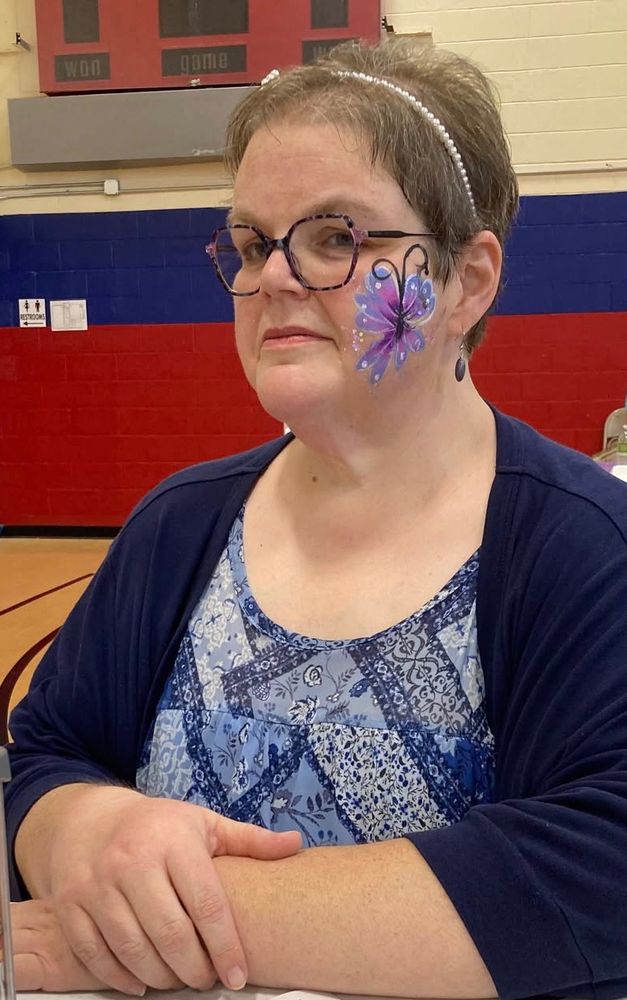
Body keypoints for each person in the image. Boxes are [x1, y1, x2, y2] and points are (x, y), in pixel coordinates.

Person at [6, 36, 627, 1000]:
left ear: (467, 280)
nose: (276, 279)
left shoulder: (585, 549)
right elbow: (49, 753)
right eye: (254, 243)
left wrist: (126, 925)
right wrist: (82, 830)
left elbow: (591, 877)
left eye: (337, 237)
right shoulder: (177, 526)